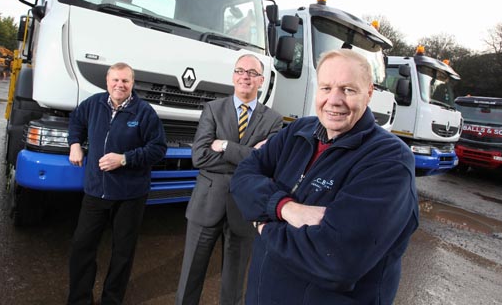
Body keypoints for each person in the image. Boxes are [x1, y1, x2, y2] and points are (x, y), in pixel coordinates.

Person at [230, 49, 419, 305]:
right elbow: (243, 176)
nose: (334, 100)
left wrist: (261, 223)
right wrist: (285, 208)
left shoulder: (390, 160)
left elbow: (335, 260)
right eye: (326, 88)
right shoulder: (299, 131)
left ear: (369, 92)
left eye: (348, 90)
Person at [175, 54, 283, 305]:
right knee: (190, 276)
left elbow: (268, 164)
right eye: (240, 71)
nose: (245, 76)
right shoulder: (213, 108)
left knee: (234, 285)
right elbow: (199, 157)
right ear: (234, 76)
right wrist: (250, 156)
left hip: (244, 208)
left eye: (252, 73)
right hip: (206, 204)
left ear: (261, 81)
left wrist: (224, 145)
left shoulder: (273, 119)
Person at [67, 62, 167, 305]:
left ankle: (111, 300)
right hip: (95, 191)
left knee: (122, 253)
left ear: (132, 84)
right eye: (115, 80)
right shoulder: (93, 104)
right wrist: (74, 144)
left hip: (130, 195)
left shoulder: (144, 112)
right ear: (107, 81)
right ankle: (79, 300)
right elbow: (76, 121)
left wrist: (124, 159)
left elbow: (158, 149)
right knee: (82, 248)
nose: (120, 85)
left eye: (125, 81)